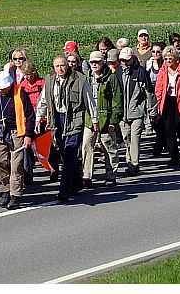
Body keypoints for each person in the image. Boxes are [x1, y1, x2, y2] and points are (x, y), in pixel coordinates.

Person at [35, 55, 97, 203]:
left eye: (63, 65)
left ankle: (64, 191)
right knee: (66, 155)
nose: (60, 68)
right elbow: (43, 100)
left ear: (67, 66)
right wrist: (38, 118)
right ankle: (76, 182)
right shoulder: (50, 80)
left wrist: (95, 120)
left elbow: (89, 100)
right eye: (57, 66)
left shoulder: (80, 79)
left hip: (74, 120)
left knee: (69, 154)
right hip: (57, 121)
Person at [0, 71, 35, 210]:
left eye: (4, 87)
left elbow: (30, 115)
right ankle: (4, 190)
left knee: (16, 164)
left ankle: (15, 195)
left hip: (17, 133)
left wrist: (28, 135)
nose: (1, 90)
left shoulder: (20, 93)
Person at [83, 51, 122, 186]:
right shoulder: (86, 78)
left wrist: (114, 121)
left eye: (97, 62)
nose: (94, 64)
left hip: (106, 119)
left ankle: (111, 175)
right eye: (92, 62)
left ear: (103, 62)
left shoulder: (111, 78)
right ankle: (86, 176)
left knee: (109, 147)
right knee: (87, 146)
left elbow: (117, 101)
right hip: (89, 119)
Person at [116, 47, 153, 176]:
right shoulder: (118, 73)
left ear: (132, 59)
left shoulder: (140, 72)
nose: (124, 63)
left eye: (126, 60)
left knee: (135, 139)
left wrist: (151, 111)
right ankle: (129, 162)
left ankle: (134, 164)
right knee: (127, 140)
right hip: (123, 115)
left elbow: (149, 92)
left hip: (137, 112)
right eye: (122, 60)